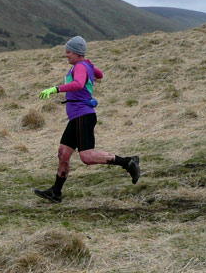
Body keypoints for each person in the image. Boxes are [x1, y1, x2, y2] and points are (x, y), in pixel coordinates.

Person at [34, 36, 140, 203]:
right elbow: (100, 74)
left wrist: (55, 89)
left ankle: (128, 162)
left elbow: (78, 84)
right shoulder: (85, 65)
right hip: (76, 117)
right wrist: (89, 66)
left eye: (68, 52)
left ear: (76, 53)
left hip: (83, 116)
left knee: (87, 157)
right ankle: (55, 192)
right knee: (63, 153)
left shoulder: (80, 66)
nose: (66, 55)